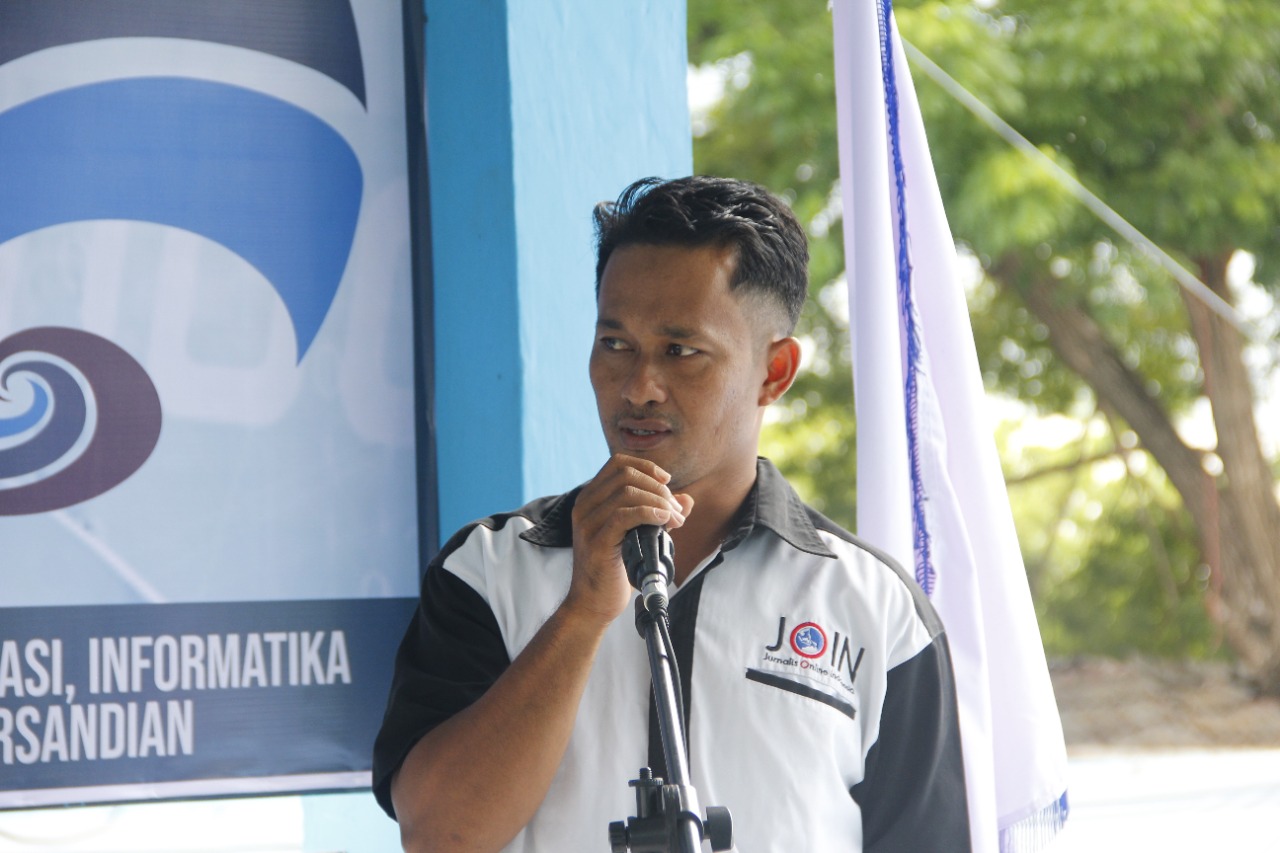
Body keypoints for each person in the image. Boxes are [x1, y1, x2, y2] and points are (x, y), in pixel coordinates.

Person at [372, 176, 971, 852]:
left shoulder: (874, 607)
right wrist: (582, 611)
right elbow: (440, 834)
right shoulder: (488, 569)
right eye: (615, 344)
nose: (638, 387)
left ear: (774, 371)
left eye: (680, 351)